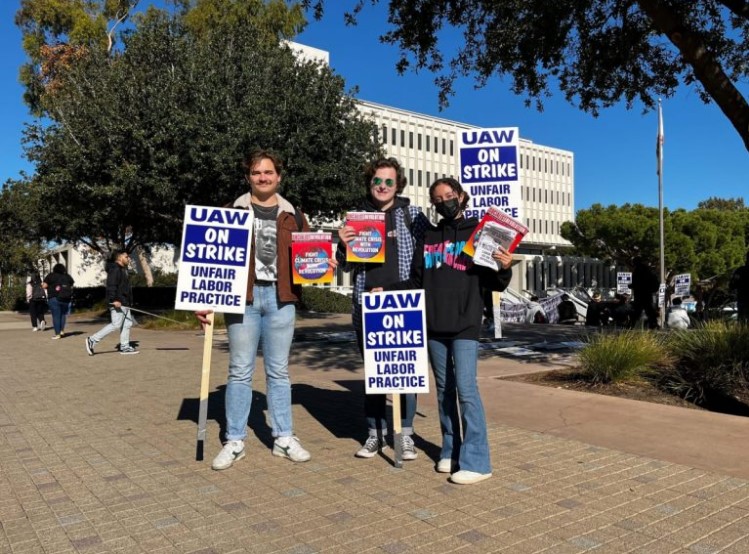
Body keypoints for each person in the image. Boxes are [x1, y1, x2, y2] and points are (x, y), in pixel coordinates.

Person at [383, 177, 513, 485]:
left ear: (461, 196)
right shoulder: (428, 236)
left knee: (467, 390)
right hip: (434, 325)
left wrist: (504, 267)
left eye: (449, 196)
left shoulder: (480, 231)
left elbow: (493, 282)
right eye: (438, 199)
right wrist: (384, 289)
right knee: (444, 391)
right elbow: (416, 280)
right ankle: (450, 449)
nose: (444, 202)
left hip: (466, 324)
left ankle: (478, 461)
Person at [198, 149, 313, 471]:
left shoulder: (296, 216)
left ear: (279, 176)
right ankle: (234, 440)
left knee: (278, 372)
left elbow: (310, 257)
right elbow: (211, 260)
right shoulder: (229, 212)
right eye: (256, 173)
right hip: (242, 301)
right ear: (248, 177)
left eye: (269, 172)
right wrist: (205, 300)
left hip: (281, 300)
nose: (263, 177)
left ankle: (284, 437)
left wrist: (324, 264)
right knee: (240, 371)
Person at [336, 157, 430, 460]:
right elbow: (347, 265)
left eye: (389, 181)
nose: (382, 186)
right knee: (376, 375)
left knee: (405, 371)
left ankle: (404, 434)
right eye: (377, 180)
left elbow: (431, 254)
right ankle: (374, 434)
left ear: (398, 185)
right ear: (370, 183)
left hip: (405, 303)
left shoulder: (413, 215)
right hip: (367, 304)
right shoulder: (357, 218)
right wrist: (341, 244)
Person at [85, 250, 139, 355]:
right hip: (118, 302)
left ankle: (124, 346)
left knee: (127, 324)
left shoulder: (122, 269)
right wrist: (114, 300)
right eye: (126, 257)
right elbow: (111, 286)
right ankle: (92, 340)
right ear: (119, 258)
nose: (129, 258)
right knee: (116, 324)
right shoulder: (115, 269)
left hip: (124, 302)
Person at [42, 263, 74, 339]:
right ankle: (62, 331)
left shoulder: (51, 275)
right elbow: (71, 285)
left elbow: (44, 286)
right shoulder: (67, 276)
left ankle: (57, 334)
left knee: (56, 316)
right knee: (63, 315)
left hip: (54, 298)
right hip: (66, 298)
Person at [629, 257, 660, 329]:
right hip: (647, 294)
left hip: (640, 294)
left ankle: (631, 325)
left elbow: (638, 283)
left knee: (638, 310)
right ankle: (654, 324)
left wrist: (632, 285)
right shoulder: (648, 270)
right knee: (649, 310)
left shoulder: (638, 270)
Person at [729, 251, 749, 323]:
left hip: (742, 299)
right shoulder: (740, 271)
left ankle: (741, 333)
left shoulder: (740, 271)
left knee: (742, 321)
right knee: (742, 320)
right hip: (742, 299)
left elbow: (732, 284)